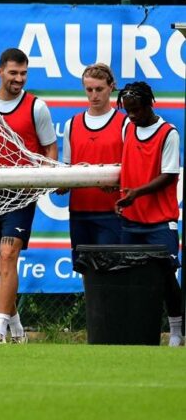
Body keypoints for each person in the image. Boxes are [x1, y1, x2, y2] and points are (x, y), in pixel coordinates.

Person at [0, 48, 57, 344]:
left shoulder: (37, 107)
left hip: (20, 195)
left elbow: (50, 150)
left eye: (23, 73)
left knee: (9, 256)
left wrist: (42, 179)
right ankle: (16, 325)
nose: (19, 79)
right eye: (13, 73)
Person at [114, 81, 183, 347]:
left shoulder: (168, 133)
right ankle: (132, 332)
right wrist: (121, 197)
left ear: (148, 105)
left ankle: (176, 331)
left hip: (160, 221)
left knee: (166, 276)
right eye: (127, 111)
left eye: (136, 110)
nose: (131, 116)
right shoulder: (127, 128)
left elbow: (168, 176)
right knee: (128, 279)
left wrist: (136, 194)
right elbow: (126, 166)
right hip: (132, 220)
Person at [58, 63, 125, 269]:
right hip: (80, 211)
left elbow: (132, 168)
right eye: (89, 90)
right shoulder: (73, 124)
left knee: (110, 272)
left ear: (111, 87)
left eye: (99, 89)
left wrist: (118, 185)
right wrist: (60, 184)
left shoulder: (125, 123)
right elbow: (68, 167)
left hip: (111, 212)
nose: (94, 95)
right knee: (86, 270)